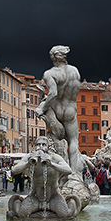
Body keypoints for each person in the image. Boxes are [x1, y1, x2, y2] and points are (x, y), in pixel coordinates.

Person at [36, 45, 84, 175]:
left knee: (54, 142)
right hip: (70, 111)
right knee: (73, 141)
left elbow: (53, 94)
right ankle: (73, 174)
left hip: (56, 111)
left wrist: (41, 108)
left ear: (53, 57)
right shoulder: (75, 71)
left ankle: (55, 174)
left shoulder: (49, 74)